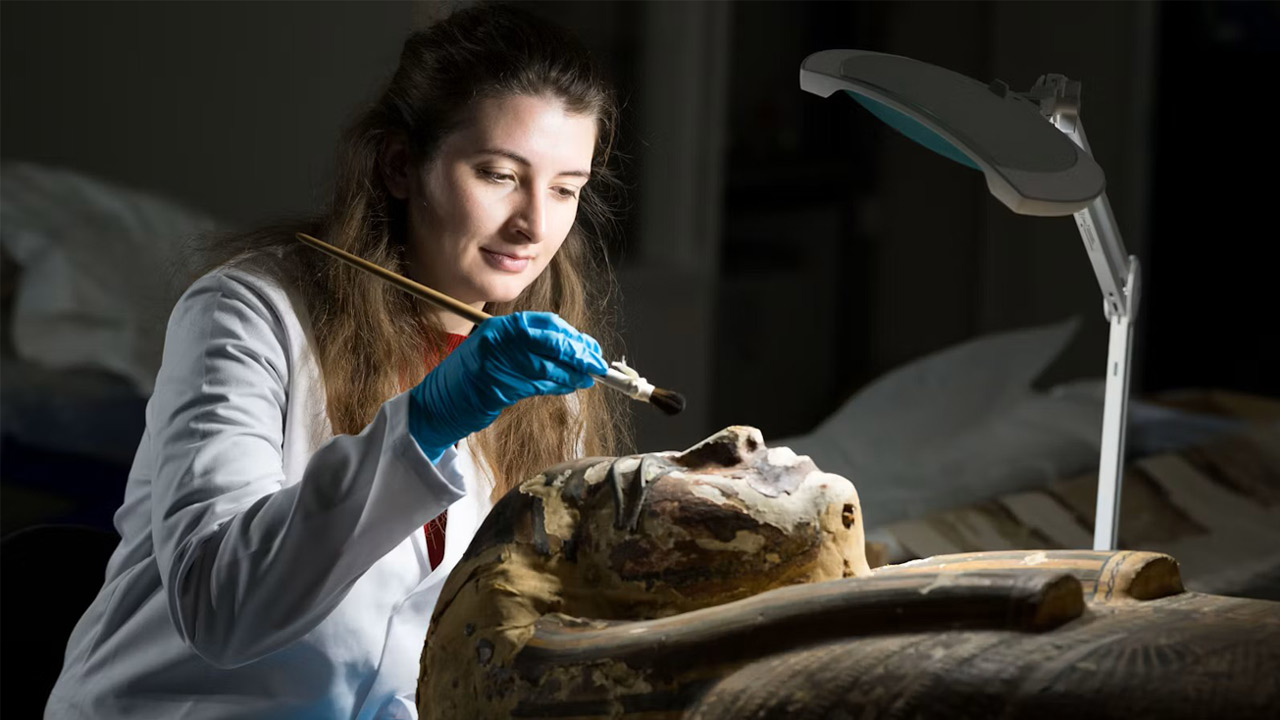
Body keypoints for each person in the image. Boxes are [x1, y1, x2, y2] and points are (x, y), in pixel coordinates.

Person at [44, 4, 631, 718]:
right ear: (400, 165)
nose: (534, 224)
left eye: (565, 189)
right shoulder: (248, 315)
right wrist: (427, 424)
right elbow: (221, 608)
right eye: (499, 174)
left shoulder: (541, 380)